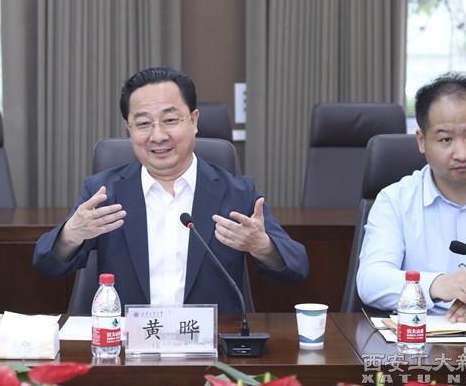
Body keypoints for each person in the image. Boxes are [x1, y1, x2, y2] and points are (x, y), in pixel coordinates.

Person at [34, 67, 308, 313]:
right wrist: (71, 234)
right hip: (128, 344)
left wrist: (262, 246)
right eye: (143, 124)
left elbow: (297, 267)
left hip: (212, 345)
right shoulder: (104, 193)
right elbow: (46, 264)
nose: (157, 136)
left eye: (170, 120)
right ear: (129, 128)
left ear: (194, 120)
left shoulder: (236, 192)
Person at [357, 72, 466, 322]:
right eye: (446, 139)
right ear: (422, 141)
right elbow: (370, 281)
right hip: (419, 339)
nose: (462, 153)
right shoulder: (395, 201)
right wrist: (437, 285)